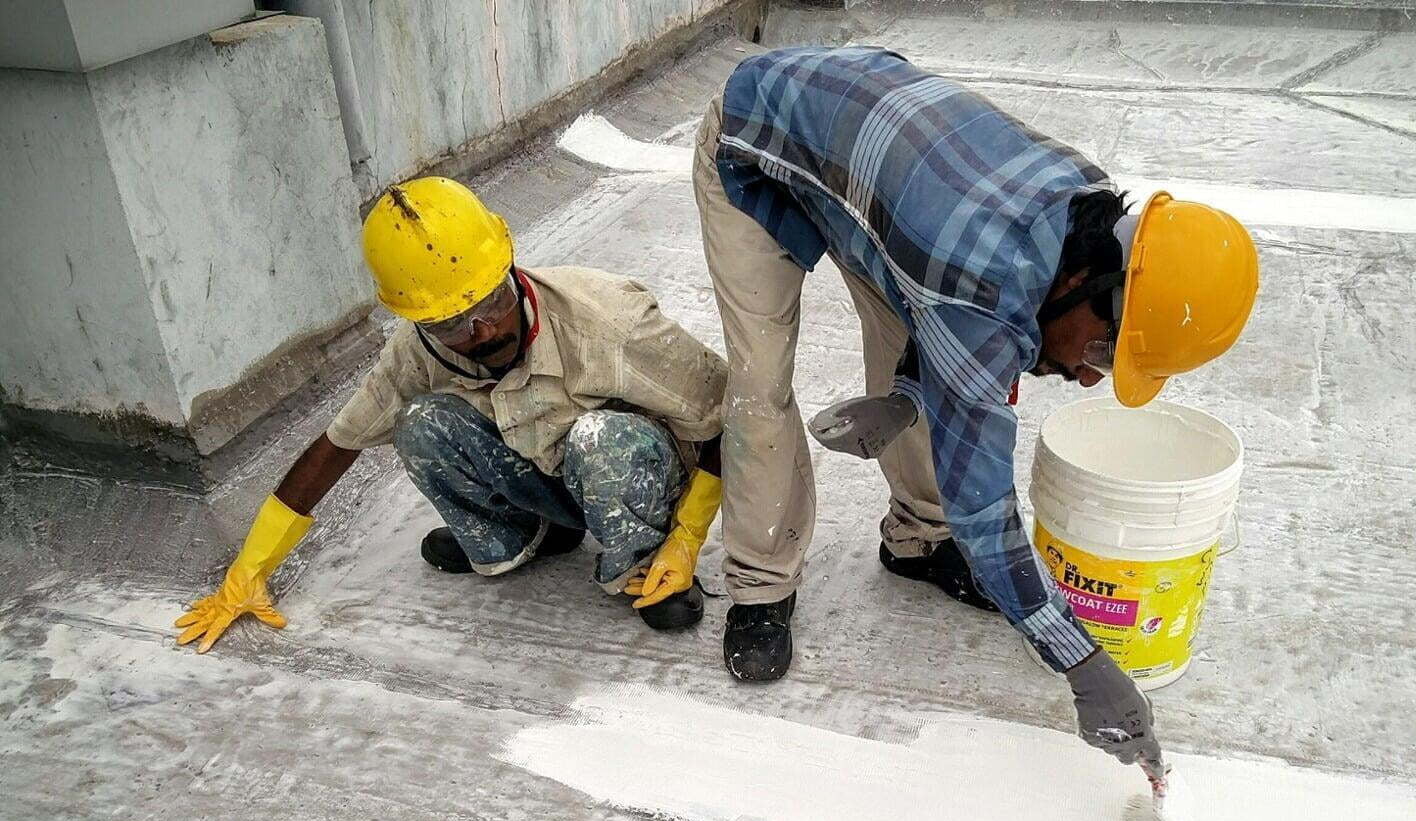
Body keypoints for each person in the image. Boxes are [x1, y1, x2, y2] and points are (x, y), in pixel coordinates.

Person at [694, 46, 1258, 771]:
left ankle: (917, 537)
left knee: (921, 346)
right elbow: (985, 509)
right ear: (1088, 281)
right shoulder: (983, 283)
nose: (1090, 379)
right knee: (760, 380)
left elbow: (945, 318)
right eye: (1099, 351)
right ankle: (761, 582)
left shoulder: (1096, 219)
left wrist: (906, 395)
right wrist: (1083, 664)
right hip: (756, 139)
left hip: (882, 185)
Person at [176, 177, 727, 652]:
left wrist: (687, 536)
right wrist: (250, 570)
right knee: (421, 422)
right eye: (451, 324)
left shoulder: (608, 322)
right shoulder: (415, 353)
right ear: (420, 321)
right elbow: (337, 444)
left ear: (509, 268)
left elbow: (731, 415)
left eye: (492, 302)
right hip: (554, 470)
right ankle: (527, 535)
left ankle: (646, 562)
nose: (483, 331)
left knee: (598, 436)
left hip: (641, 479)